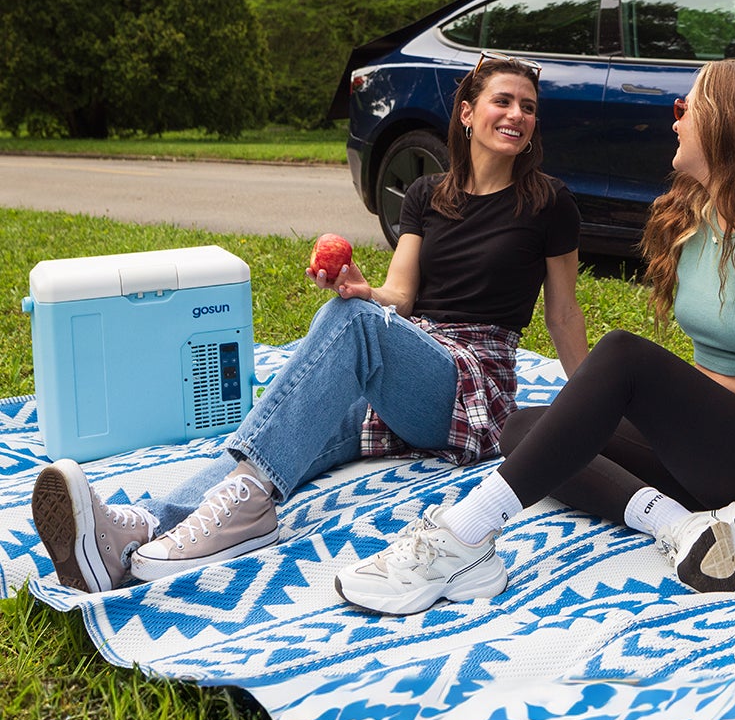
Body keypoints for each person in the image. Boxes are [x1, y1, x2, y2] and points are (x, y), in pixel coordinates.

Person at [336, 57, 735, 615]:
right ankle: (683, 525)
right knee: (525, 429)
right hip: (709, 455)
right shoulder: (693, 222)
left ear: (727, 127)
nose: (675, 120)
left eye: (686, 109)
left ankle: (463, 536)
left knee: (622, 354)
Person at [31, 54, 587, 594]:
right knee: (278, 440)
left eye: (528, 107)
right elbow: (399, 298)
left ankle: (244, 517)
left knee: (352, 327)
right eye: (503, 101)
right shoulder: (426, 195)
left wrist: (594, 407)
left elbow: (562, 313)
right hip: (409, 365)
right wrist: (365, 291)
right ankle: (134, 532)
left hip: (471, 388)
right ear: (467, 112)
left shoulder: (547, 202)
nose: (517, 115)